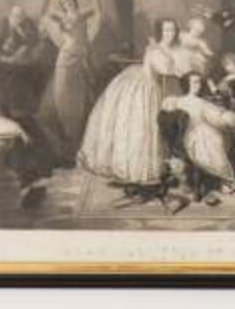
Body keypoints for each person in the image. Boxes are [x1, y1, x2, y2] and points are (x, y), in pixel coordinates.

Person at [77, 18, 207, 185]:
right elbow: (165, 69)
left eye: (173, 30)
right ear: (160, 32)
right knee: (140, 126)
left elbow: (180, 66)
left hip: (156, 86)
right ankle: (134, 168)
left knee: (155, 125)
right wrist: (182, 71)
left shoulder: (173, 49)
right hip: (144, 87)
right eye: (166, 30)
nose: (170, 33)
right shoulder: (155, 50)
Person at [36, 0, 97, 161]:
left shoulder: (82, 14)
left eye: (69, 1)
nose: (67, 4)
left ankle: (75, 145)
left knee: (78, 102)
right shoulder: (62, 17)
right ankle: (65, 149)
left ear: (74, 1)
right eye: (63, 3)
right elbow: (43, 12)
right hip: (64, 60)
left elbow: (98, 9)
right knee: (61, 100)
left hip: (79, 60)